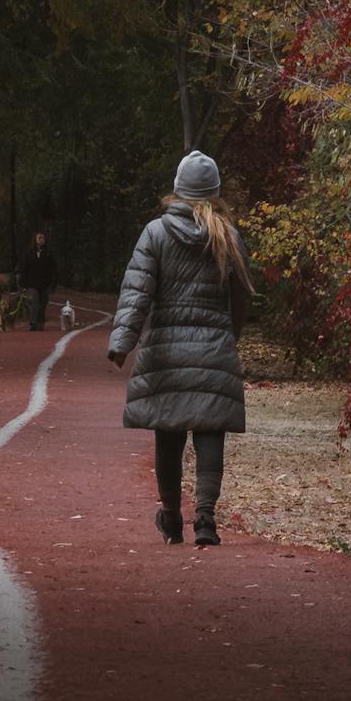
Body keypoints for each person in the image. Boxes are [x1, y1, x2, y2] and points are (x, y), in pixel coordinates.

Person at [107, 151, 252, 547]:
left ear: (178, 189)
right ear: (214, 193)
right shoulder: (228, 236)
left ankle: (171, 517)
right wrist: (228, 338)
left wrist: (122, 343)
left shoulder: (155, 233)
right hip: (214, 348)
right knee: (209, 436)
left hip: (166, 353)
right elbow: (239, 300)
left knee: (168, 435)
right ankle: (205, 519)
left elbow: (137, 293)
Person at [18, 230, 57, 332]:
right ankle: (33, 323)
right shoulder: (29, 253)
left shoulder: (49, 253)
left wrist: (53, 284)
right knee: (34, 302)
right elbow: (24, 268)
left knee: (43, 303)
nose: (41, 240)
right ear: (35, 240)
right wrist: (23, 283)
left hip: (45, 283)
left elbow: (53, 269)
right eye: (39, 238)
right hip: (32, 283)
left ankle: (40, 322)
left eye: (43, 238)